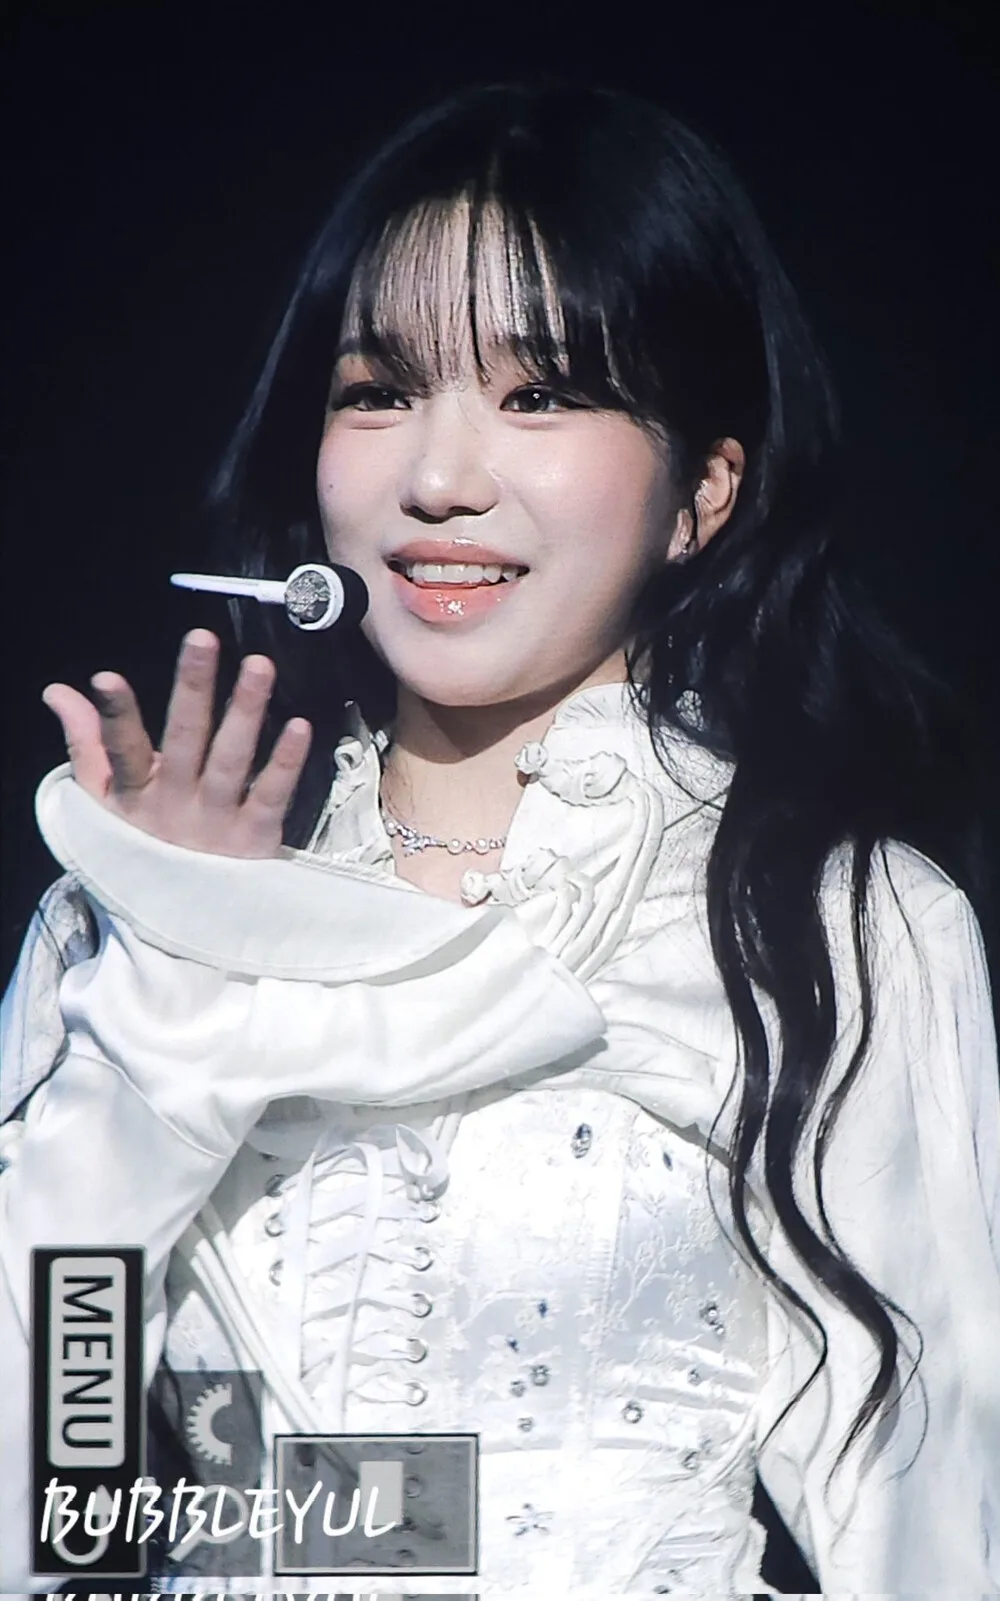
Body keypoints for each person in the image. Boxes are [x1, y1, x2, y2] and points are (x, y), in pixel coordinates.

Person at [1, 78, 998, 1598]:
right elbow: (58, 1498)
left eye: (539, 396)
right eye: (377, 390)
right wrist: (167, 1015)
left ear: (703, 491)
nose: (439, 480)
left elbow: (924, 1506)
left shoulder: (832, 923)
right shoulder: (134, 921)